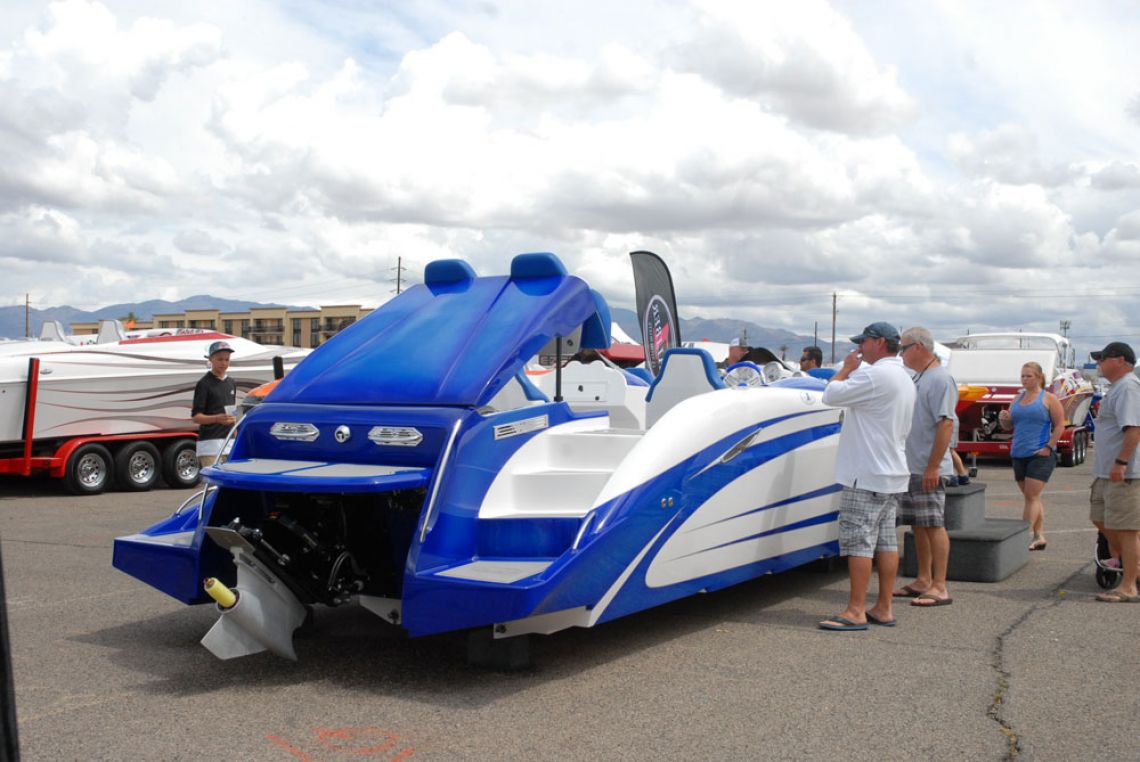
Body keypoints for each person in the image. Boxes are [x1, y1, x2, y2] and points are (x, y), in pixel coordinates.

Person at [817, 322, 915, 631]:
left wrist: (846, 369)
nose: (860, 348)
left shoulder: (874, 374)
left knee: (858, 541)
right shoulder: (905, 376)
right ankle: (883, 606)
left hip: (866, 472)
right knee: (886, 541)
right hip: (893, 470)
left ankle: (855, 610)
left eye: (865, 342)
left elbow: (830, 394)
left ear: (880, 342)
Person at [892, 327, 957, 607]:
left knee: (933, 524)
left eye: (902, 348)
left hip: (928, 466)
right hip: (913, 465)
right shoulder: (921, 377)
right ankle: (923, 578)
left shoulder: (941, 378)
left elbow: (946, 423)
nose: (900, 354)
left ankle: (940, 585)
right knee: (918, 525)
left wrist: (933, 467)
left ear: (918, 347)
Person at [1087, 342, 1140, 602]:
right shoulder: (1117, 388)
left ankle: (1129, 586)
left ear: (1119, 360)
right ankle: (1129, 564)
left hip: (1124, 473)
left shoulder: (1128, 388)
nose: (1098, 363)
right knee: (1100, 518)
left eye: (1102, 358)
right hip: (1106, 473)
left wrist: (1121, 462)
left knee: (1128, 528)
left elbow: (1134, 429)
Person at [997, 362, 1064, 551]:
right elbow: (1009, 426)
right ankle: (1039, 535)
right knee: (1031, 498)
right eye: (1023, 376)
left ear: (1039, 378)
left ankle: (1022, 537)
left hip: (1039, 454)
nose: (1025, 379)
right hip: (1019, 452)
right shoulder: (1017, 399)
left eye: (1029, 376)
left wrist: (1049, 447)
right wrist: (1004, 419)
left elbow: (1059, 425)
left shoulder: (1049, 399)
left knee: (1031, 496)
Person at [192, 340, 237, 468]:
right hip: (210, 445)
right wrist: (216, 418)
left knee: (229, 484)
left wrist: (237, 427)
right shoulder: (204, 384)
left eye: (227, 359)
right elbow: (196, 417)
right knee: (213, 484)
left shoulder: (231, 382)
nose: (224, 363)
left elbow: (233, 408)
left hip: (229, 444)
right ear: (211, 359)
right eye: (220, 359)